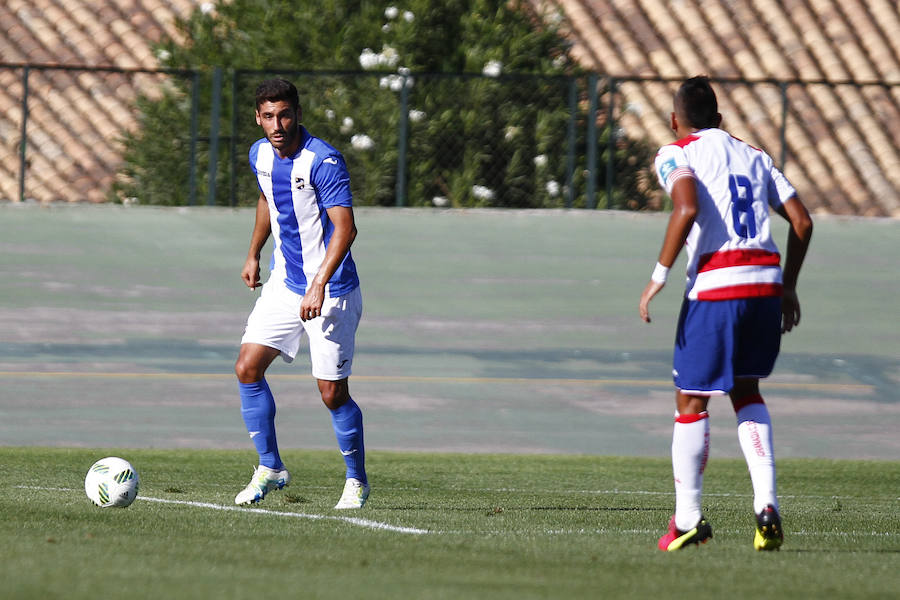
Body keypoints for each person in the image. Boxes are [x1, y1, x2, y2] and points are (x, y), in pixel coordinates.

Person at [639, 76, 812, 551]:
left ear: (676, 121)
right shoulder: (757, 156)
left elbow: (686, 206)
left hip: (717, 287)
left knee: (691, 400)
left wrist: (659, 274)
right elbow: (802, 220)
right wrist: (789, 286)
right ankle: (766, 505)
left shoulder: (676, 152)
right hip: (764, 285)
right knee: (746, 389)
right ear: (720, 119)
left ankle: (688, 519)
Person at [233, 78, 368, 509]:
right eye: (269, 116)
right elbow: (266, 199)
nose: (277, 124)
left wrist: (318, 285)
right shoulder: (259, 153)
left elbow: (345, 228)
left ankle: (356, 480)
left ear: (298, 114)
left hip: (331, 291)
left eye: (285, 114)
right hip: (285, 284)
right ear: (258, 117)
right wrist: (254, 252)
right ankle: (270, 467)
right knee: (247, 368)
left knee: (331, 393)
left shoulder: (323, 161)